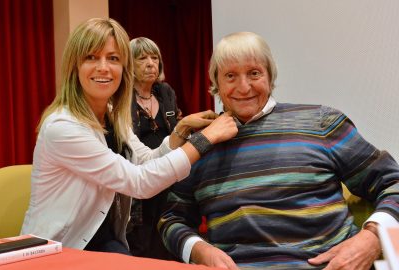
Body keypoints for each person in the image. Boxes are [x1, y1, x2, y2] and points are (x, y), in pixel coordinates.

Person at [158, 31, 399, 270]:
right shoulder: (202, 144)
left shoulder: (321, 122)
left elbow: (393, 184)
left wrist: (371, 240)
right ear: (216, 85)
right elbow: (171, 219)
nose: (243, 87)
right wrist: (200, 251)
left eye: (254, 73)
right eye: (230, 76)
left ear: (270, 77)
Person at [19, 18, 238, 255]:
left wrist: (182, 129)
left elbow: (145, 159)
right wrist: (204, 139)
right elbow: (139, 182)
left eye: (113, 58)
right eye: (91, 57)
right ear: (74, 66)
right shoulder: (63, 127)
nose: (103, 67)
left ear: (124, 68)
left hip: (102, 240)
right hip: (62, 249)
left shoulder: (112, 114)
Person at [126, 37, 183, 260]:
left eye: (155, 57)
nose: (151, 63)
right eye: (142, 58)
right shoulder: (122, 97)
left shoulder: (165, 92)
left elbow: (176, 128)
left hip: (168, 176)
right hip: (138, 181)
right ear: (129, 65)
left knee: (167, 240)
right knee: (142, 245)